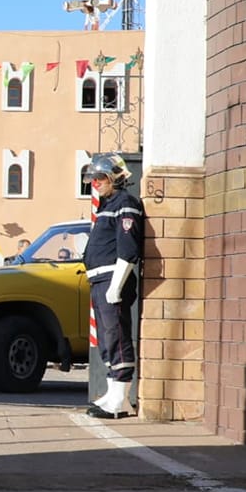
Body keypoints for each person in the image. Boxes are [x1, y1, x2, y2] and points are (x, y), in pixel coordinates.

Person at [85, 152, 144, 419]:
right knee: (108, 339)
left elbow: (128, 248)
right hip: (99, 278)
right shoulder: (107, 205)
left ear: (115, 177)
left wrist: (116, 285)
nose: (95, 183)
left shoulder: (125, 203)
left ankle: (121, 399)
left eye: (100, 177)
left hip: (112, 278)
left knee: (117, 335)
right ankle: (112, 394)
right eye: (93, 178)